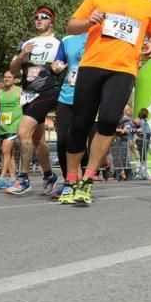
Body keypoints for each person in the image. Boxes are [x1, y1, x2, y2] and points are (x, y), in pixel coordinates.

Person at [59, 0, 151, 205]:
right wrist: (88, 21)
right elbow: (71, 25)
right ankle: (70, 179)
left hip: (124, 69)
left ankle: (88, 179)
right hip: (92, 65)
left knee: (107, 121)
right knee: (80, 125)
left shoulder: (148, 4)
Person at [6, 5, 66, 196]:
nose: (39, 19)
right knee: (37, 139)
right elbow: (13, 70)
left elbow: (67, 63)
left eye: (44, 17)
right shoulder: (27, 43)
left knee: (23, 130)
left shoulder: (58, 42)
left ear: (52, 20)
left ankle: (23, 178)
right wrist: (23, 55)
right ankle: (49, 176)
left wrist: (60, 67)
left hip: (48, 89)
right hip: (28, 93)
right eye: (37, 17)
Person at [49, 32, 88, 197]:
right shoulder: (67, 40)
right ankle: (68, 181)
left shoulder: (102, 37)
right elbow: (57, 63)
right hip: (66, 96)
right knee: (63, 141)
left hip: (89, 97)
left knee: (84, 142)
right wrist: (56, 67)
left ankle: (85, 179)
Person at [0, 71, 23, 189]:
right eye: (5, 77)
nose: (6, 79)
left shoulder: (20, 90)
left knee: (5, 150)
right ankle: (13, 178)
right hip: (4, 125)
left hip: (15, 123)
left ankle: (1, 177)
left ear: (14, 79)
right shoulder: (0, 92)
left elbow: (26, 105)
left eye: (9, 77)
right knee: (9, 153)